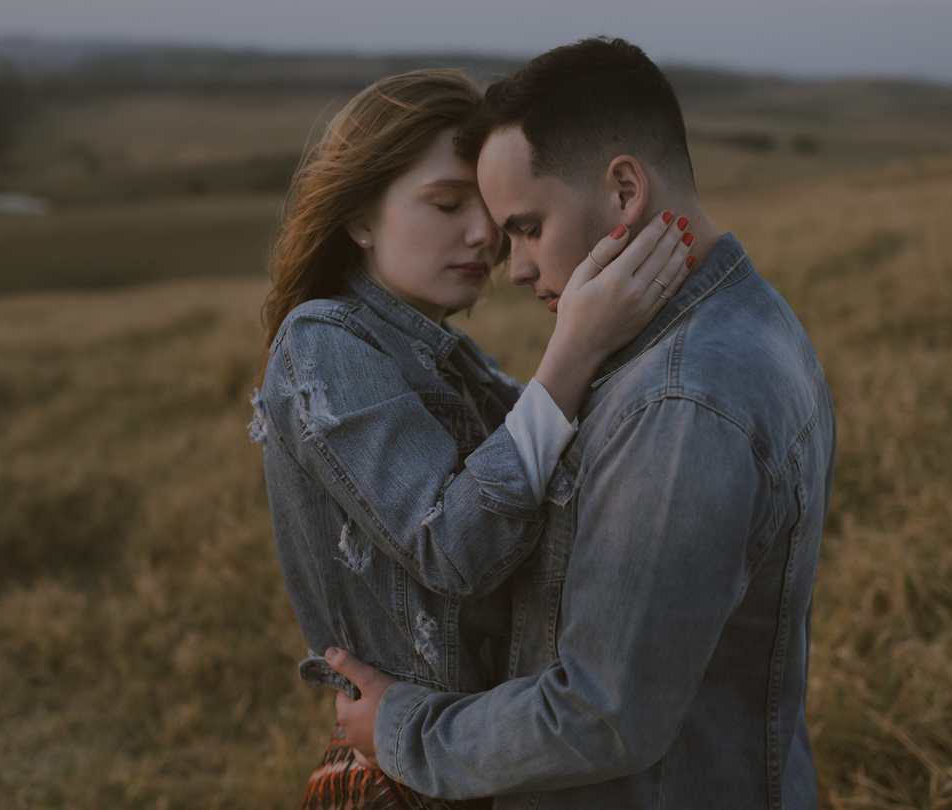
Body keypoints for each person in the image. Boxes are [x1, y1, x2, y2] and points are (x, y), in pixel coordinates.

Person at [327, 38, 838, 809]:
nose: (518, 268)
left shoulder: (679, 401)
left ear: (625, 190)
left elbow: (602, 713)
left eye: (528, 228)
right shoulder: (746, 318)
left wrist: (403, 729)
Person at [248, 68, 695, 809]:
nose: (484, 234)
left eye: (487, 209)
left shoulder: (460, 364)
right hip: (404, 781)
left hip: (478, 756)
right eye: (445, 204)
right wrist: (574, 349)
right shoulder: (322, 342)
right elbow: (453, 548)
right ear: (360, 218)